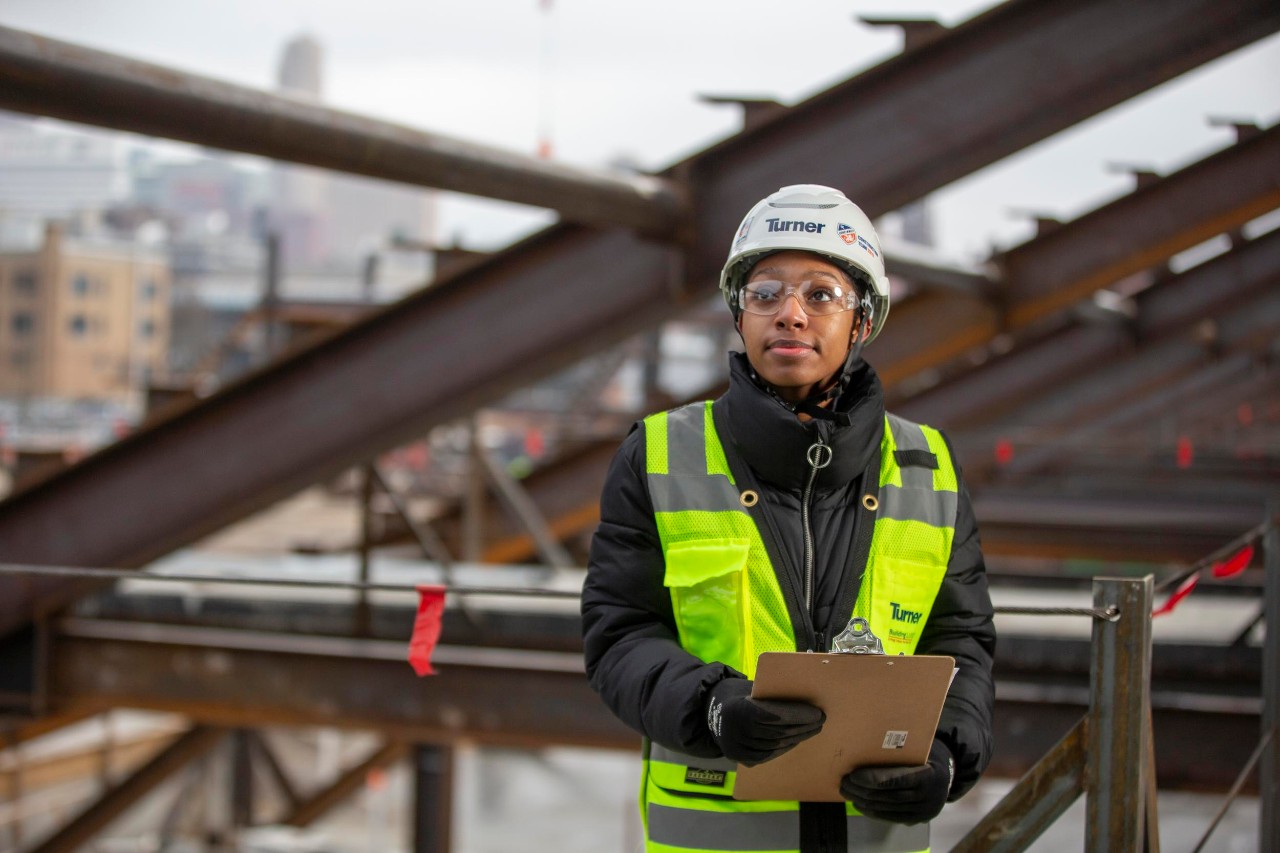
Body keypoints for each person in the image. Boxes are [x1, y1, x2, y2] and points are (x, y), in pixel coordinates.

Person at [581, 184, 996, 853]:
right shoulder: (659, 456)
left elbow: (961, 641)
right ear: (739, 315)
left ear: (861, 320)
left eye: (821, 294)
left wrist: (947, 755)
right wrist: (713, 706)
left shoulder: (928, 467)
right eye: (766, 293)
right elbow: (620, 634)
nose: (791, 314)